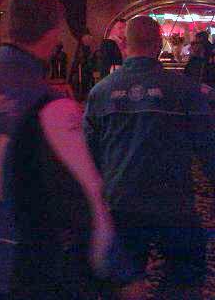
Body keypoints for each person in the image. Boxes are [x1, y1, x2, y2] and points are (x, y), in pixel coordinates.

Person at [0, 0, 116, 299]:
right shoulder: (49, 104)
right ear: (54, 33)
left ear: (6, 29)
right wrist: (116, 270)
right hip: (18, 267)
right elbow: (87, 196)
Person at [83, 16, 215, 299]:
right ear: (159, 45)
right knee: (185, 279)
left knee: (123, 284)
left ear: (125, 45)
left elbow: (89, 156)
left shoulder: (100, 92)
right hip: (174, 203)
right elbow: (208, 149)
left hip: (120, 202)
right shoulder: (186, 90)